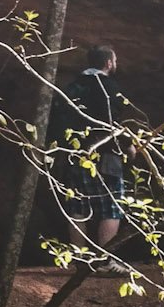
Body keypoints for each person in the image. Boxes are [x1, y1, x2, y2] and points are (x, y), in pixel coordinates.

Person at [50, 44, 131, 264]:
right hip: (106, 154)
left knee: (78, 206)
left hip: (75, 154)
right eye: (115, 61)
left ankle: (79, 259)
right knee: (110, 207)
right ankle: (106, 260)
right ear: (108, 63)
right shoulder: (108, 87)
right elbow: (112, 121)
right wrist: (128, 144)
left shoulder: (73, 87)